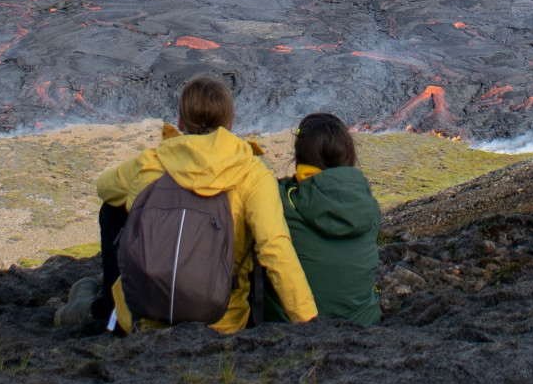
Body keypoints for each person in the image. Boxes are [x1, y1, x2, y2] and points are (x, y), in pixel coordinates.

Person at [94, 75, 316, 335]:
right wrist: (309, 324)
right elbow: (275, 248)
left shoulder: (151, 163)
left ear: (180, 121)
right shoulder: (251, 174)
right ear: (229, 123)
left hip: (144, 318)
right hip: (222, 322)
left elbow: (104, 188)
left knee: (112, 208)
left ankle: (108, 308)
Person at [263, 113, 382, 325]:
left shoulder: (280, 202)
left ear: (300, 158)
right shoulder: (368, 206)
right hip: (363, 325)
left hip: (292, 329)